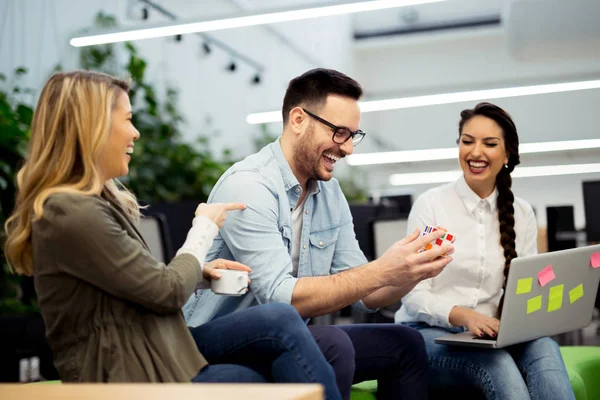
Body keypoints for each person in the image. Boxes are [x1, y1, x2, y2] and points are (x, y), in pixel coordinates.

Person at [3, 70, 342, 398]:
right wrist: (204, 228)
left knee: (278, 330)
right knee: (255, 365)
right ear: (92, 128)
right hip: (124, 372)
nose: (134, 133)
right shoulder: (70, 212)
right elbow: (164, 292)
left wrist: (200, 276)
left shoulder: (88, 205)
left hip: (150, 351)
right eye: (127, 120)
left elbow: (136, 285)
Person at [183, 68, 454, 400]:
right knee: (334, 342)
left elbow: (365, 294)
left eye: (354, 135)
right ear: (298, 120)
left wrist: (410, 271)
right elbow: (282, 298)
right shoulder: (249, 185)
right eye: (340, 132)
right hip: (209, 338)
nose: (349, 148)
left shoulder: (329, 194)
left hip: (285, 336)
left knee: (404, 343)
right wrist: (383, 269)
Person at [395, 102, 575, 399]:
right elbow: (413, 296)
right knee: (497, 365)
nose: (475, 152)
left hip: (490, 334)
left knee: (545, 349)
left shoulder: (521, 212)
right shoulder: (433, 206)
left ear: (506, 155)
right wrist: (465, 316)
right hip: (427, 333)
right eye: (467, 142)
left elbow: (526, 289)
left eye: (489, 144)